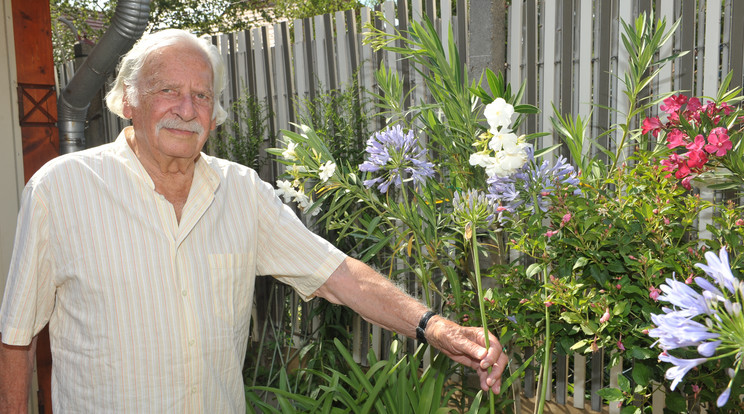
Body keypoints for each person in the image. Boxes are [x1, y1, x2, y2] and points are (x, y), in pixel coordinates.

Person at [0, 29, 508, 412]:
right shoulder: (61, 190)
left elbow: (339, 275)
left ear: (215, 112)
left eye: (201, 95)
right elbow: (17, 338)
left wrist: (434, 326)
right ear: (128, 101)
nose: (186, 108)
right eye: (167, 91)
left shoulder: (240, 192)